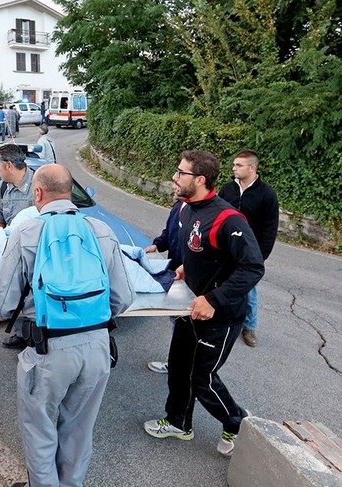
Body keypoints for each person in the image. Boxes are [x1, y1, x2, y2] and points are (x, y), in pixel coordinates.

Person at [0, 164, 134, 487]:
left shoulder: (25, 233)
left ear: (37, 194)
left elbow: (2, 306)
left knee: (39, 430)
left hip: (47, 349)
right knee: (79, 429)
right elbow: (123, 297)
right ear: (70, 192)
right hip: (97, 348)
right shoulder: (100, 231)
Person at [143, 150, 264, 457]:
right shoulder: (185, 209)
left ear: (199, 179)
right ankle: (179, 422)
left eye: (180, 173)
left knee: (202, 379)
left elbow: (252, 267)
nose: (174, 177)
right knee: (179, 368)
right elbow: (197, 251)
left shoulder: (228, 219)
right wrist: (185, 269)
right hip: (190, 307)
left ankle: (238, 423)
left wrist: (214, 298)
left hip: (221, 315)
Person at [218, 149, 279, 347]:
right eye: (234, 164)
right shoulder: (227, 189)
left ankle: (249, 326)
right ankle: (221, 319)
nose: (234, 168)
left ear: (252, 168)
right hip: (224, 248)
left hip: (249, 252)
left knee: (248, 290)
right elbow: (216, 215)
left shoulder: (267, 195)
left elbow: (270, 228)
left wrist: (260, 256)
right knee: (221, 283)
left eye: (238, 165)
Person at [0, 144, 37, 350]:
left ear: (9, 165)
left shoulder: (39, 185)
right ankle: (21, 333)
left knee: (34, 295)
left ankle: (36, 333)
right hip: (13, 249)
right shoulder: (2, 188)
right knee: (15, 290)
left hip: (36, 251)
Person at [144, 198, 184, 374]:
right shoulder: (179, 206)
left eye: (181, 174)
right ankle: (179, 362)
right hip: (176, 273)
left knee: (182, 322)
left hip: (190, 278)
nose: (174, 181)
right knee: (178, 321)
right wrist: (157, 245)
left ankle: (178, 365)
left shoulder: (203, 213)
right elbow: (169, 234)